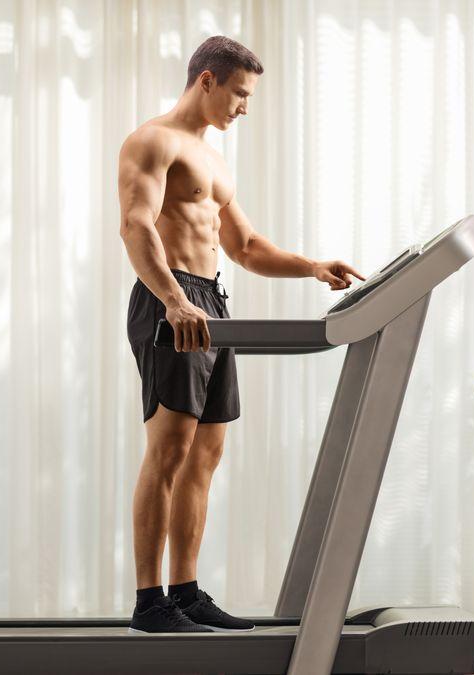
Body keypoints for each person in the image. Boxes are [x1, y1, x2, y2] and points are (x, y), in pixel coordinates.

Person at [118, 35, 364, 633]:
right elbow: (135, 226)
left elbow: (246, 247)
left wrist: (311, 266)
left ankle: (187, 591)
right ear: (207, 80)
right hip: (169, 300)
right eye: (240, 94)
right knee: (169, 449)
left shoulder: (216, 161)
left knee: (206, 454)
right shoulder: (152, 141)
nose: (244, 107)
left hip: (213, 303)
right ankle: (151, 603)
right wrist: (173, 301)